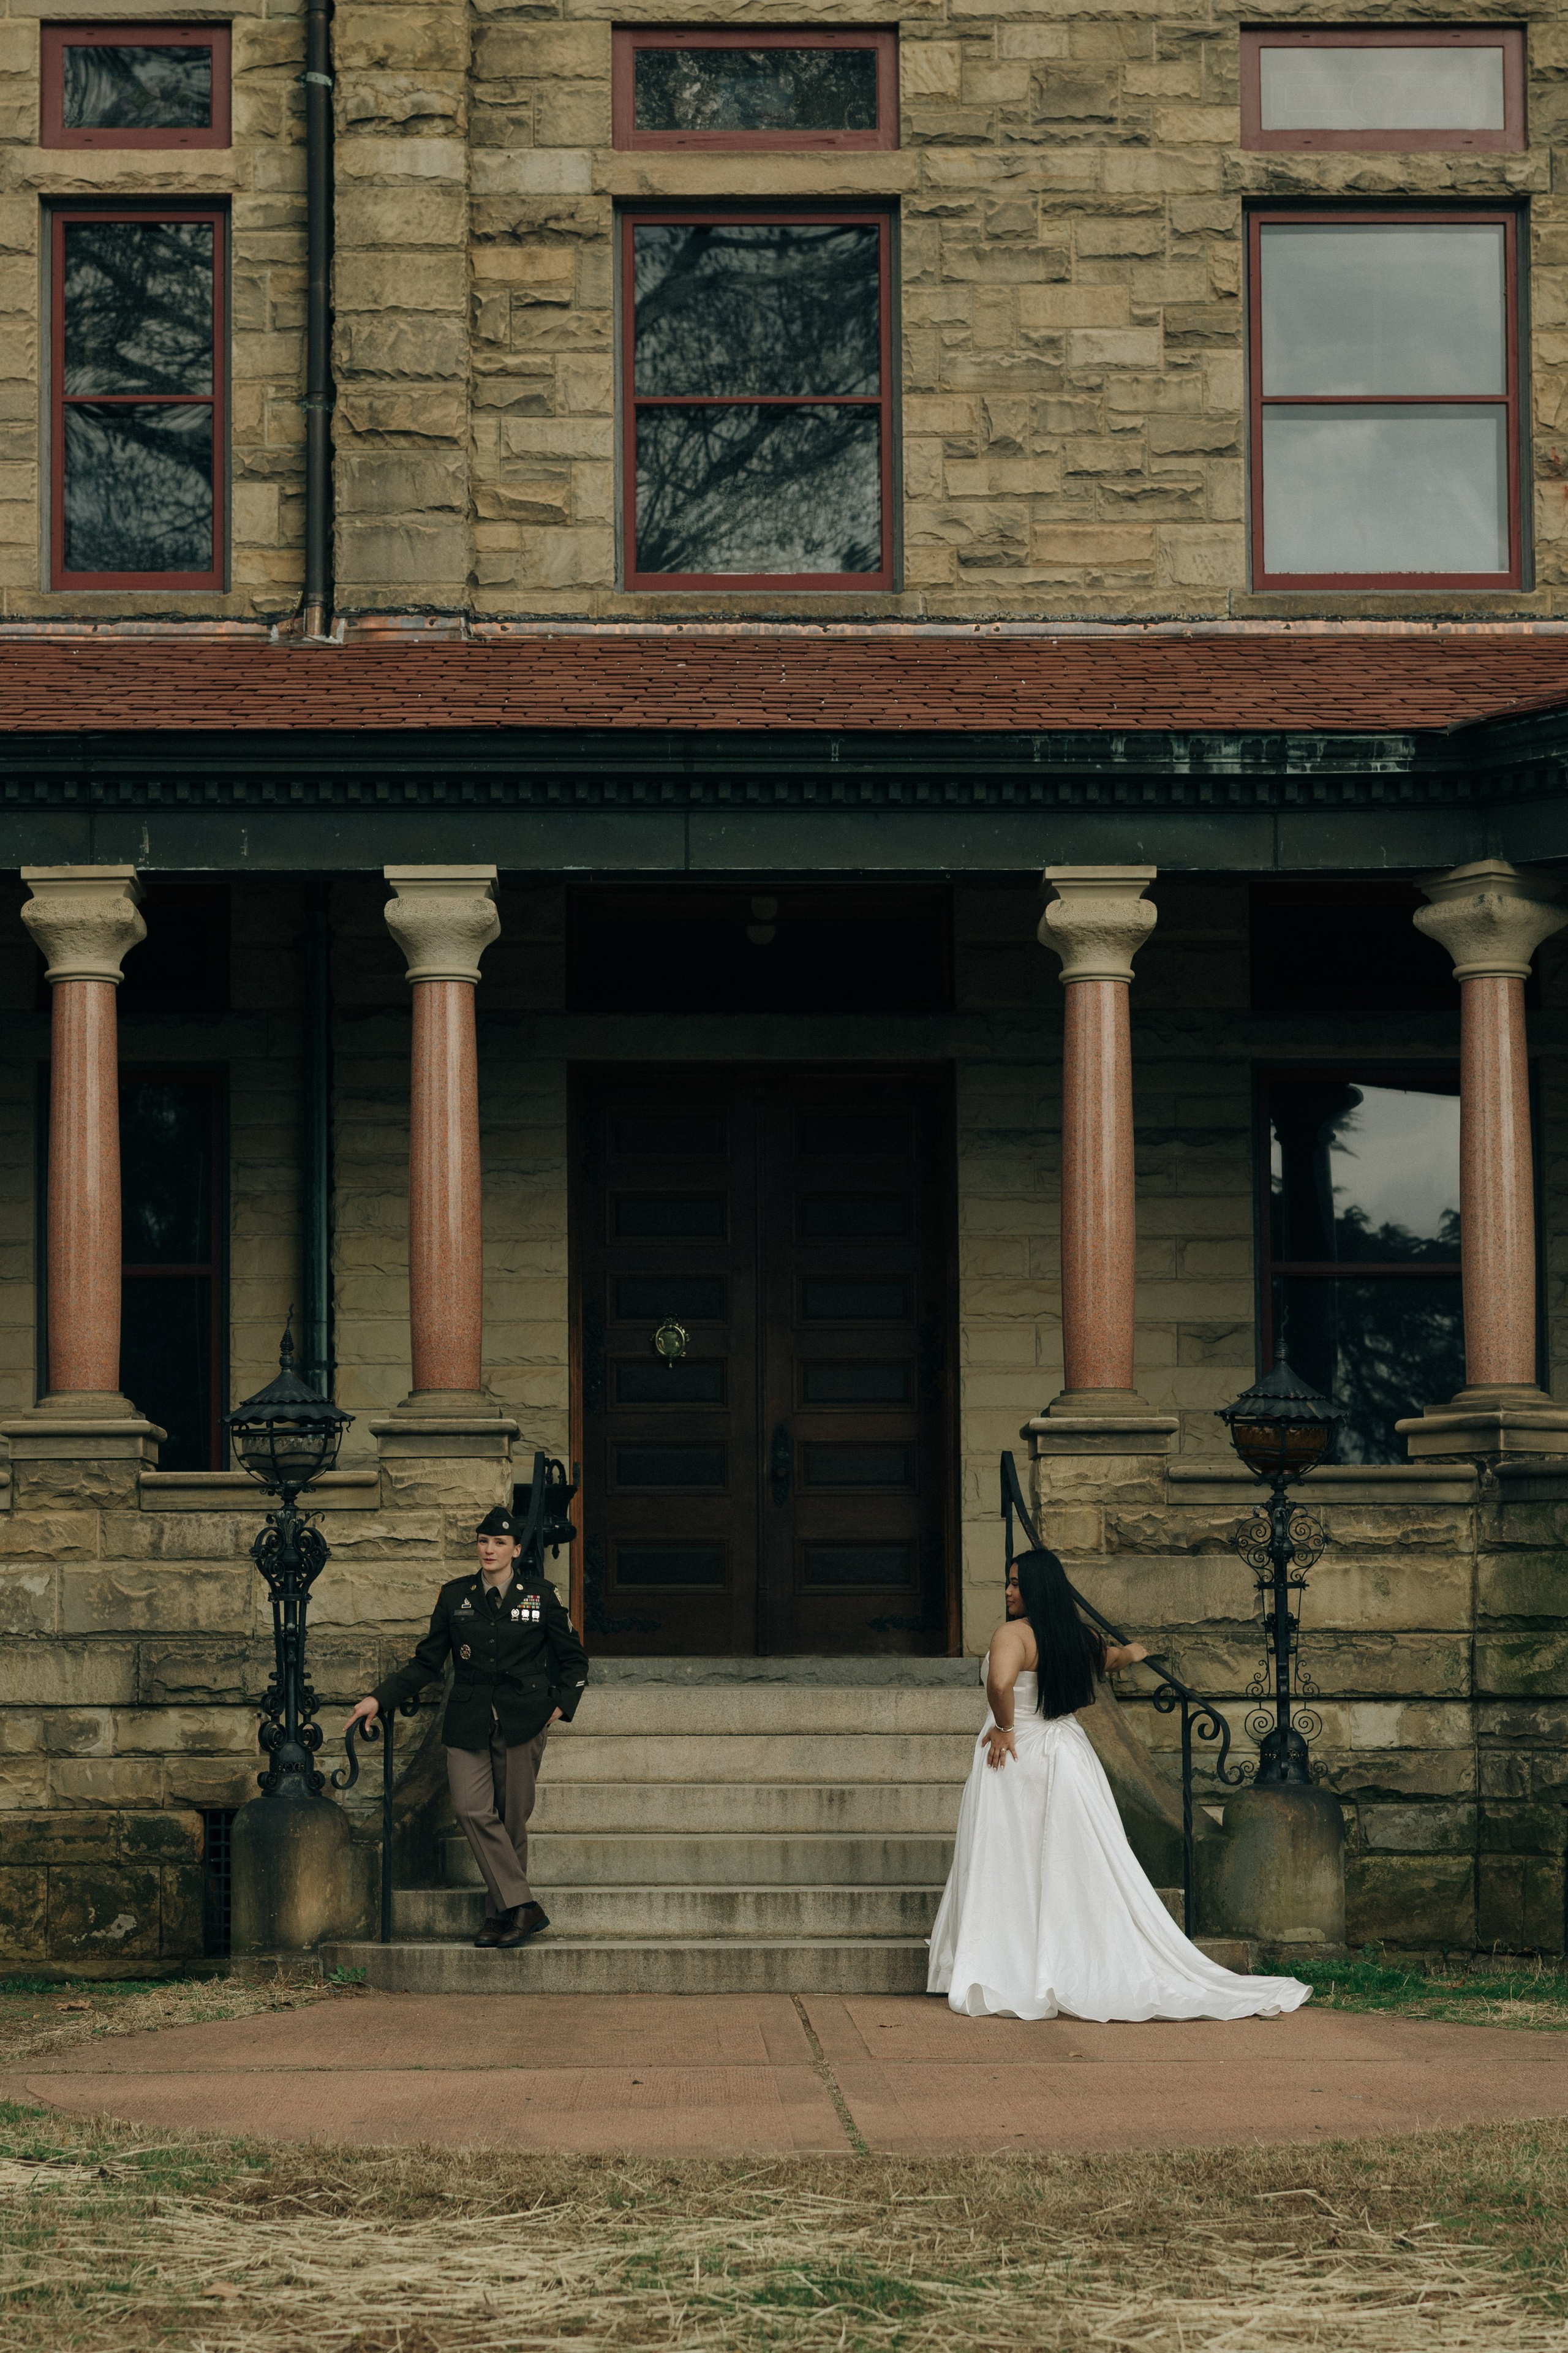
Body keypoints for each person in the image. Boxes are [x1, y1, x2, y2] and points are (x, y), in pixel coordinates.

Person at [927, 1546, 1311, 2022]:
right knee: (1062, 1861)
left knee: (1010, 1858)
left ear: (1037, 1589)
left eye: (1017, 1584)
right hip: (1066, 1753)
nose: (1008, 1591)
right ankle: (1057, 1955)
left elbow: (1000, 1683)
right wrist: (1137, 1652)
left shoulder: (1013, 1635)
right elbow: (1112, 1659)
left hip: (1018, 1755)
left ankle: (1011, 1960)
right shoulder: (1077, 1636)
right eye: (1008, 1582)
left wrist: (1004, 1728)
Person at [344, 1505, 589, 1949]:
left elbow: (574, 1660)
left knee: (512, 1819)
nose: (489, 1549)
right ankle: (524, 1906)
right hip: (469, 1716)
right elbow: (427, 1662)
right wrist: (380, 1698)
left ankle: (501, 1915)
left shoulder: (541, 1594)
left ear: (516, 1549)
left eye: (499, 1543)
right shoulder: (455, 1595)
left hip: (523, 1718)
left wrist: (561, 1705)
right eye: (483, 1541)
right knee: (473, 1809)